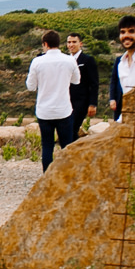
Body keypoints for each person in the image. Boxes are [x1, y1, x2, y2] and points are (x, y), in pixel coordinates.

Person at [24, 29, 82, 171]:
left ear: (45, 44)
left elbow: (30, 86)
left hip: (44, 111)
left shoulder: (37, 62)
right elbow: (77, 81)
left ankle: (47, 178)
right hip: (64, 110)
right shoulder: (70, 60)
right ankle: (67, 176)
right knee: (66, 145)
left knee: (47, 145)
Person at [66, 32, 100, 140]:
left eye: (74, 42)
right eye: (69, 42)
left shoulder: (87, 60)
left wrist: (93, 104)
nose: (71, 45)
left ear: (80, 43)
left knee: (72, 128)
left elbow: (94, 83)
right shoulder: (65, 60)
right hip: (66, 101)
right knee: (68, 130)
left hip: (81, 101)